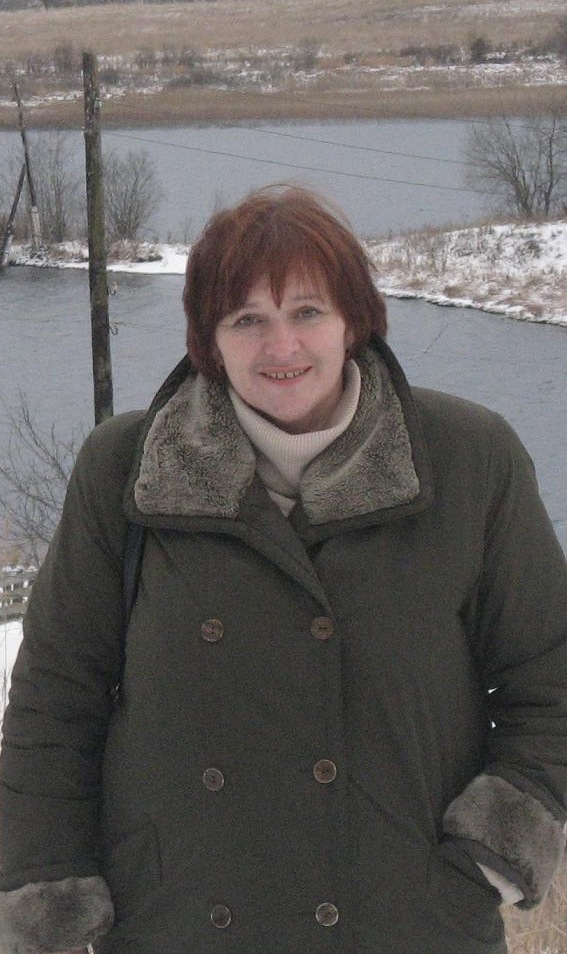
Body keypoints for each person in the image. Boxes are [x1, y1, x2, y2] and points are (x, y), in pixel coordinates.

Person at [0, 185, 566, 954]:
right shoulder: (125, 471)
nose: (281, 348)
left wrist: (491, 858)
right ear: (209, 339)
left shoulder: (469, 459)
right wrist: (51, 893)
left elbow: (549, 679)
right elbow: (56, 700)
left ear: (353, 319)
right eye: (246, 320)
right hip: (179, 922)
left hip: (408, 925)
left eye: (307, 312)